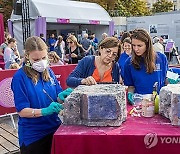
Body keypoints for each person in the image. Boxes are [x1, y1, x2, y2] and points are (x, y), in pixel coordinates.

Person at [11, 36, 73, 154]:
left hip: (55, 128)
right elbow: (22, 110)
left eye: (43, 58)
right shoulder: (20, 78)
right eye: (36, 59)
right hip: (34, 136)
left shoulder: (48, 71)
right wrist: (44, 111)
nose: (41, 62)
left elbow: (56, 97)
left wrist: (61, 97)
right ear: (27, 56)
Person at [124, 29, 168, 105]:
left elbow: (166, 80)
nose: (136, 49)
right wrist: (130, 94)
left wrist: (173, 85)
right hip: (140, 102)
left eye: (139, 46)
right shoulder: (129, 62)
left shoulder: (161, 58)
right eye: (133, 45)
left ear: (147, 45)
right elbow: (131, 86)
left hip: (159, 101)